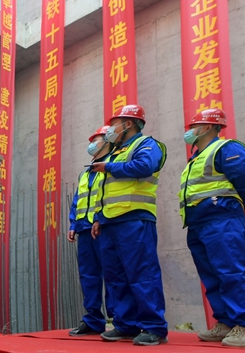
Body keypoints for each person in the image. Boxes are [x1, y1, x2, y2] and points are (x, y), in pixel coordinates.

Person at [179, 108, 245, 347]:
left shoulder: (226, 148)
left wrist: (243, 202)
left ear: (207, 127)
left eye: (193, 126)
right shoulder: (196, 158)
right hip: (198, 222)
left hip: (221, 219)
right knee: (211, 275)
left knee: (230, 272)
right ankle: (225, 322)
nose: (189, 131)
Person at [90, 104, 168, 346]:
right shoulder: (116, 152)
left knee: (142, 274)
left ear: (129, 124)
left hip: (134, 219)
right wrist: (98, 218)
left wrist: (109, 167)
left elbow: (145, 166)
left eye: (114, 124)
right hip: (110, 222)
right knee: (116, 277)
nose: (110, 129)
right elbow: (106, 191)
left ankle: (154, 327)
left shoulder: (146, 144)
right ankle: (126, 324)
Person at [67, 126, 115, 336]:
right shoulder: (86, 173)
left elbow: (112, 196)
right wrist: (73, 225)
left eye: (97, 140)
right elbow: (77, 200)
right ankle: (93, 320)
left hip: (104, 228)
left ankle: (116, 319)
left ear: (108, 141)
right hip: (85, 230)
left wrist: (101, 219)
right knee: (88, 276)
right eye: (92, 140)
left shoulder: (113, 166)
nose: (92, 144)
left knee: (112, 274)